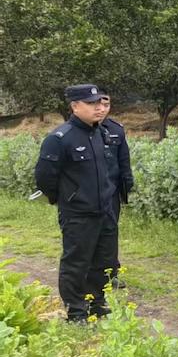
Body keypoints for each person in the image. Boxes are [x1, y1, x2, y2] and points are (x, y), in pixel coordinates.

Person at [34, 84, 117, 322]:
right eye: (92, 104)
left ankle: (96, 303)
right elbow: (44, 177)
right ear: (75, 106)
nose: (99, 108)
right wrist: (65, 199)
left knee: (103, 261)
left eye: (101, 103)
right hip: (78, 213)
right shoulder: (60, 139)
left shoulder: (100, 133)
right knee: (76, 262)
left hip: (104, 210)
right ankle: (77, 311)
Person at [99, 93, 134, 287]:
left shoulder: (116, 130)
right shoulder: (86, 130)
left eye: (107, 104)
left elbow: (123, 160)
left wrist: (127, 185)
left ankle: (111, 274)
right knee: (92, 232)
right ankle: (92, 272)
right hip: (89, 191)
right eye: (99, 104)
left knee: (111, 232)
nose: (103, 109)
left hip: (111, 191)